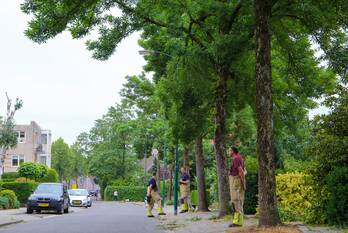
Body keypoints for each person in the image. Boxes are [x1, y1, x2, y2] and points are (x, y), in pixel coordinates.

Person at [228, 145, 246, 227]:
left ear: (232, 151)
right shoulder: (239, 158)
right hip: (236, 180)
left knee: (236, 200)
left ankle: (237, 222)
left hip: (236, 181)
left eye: (229, 151)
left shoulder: (236, 159)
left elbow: (241, 171)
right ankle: (238, 221)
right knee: (238, 201)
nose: (228, 152)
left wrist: (243, 182)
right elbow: (244, 170)